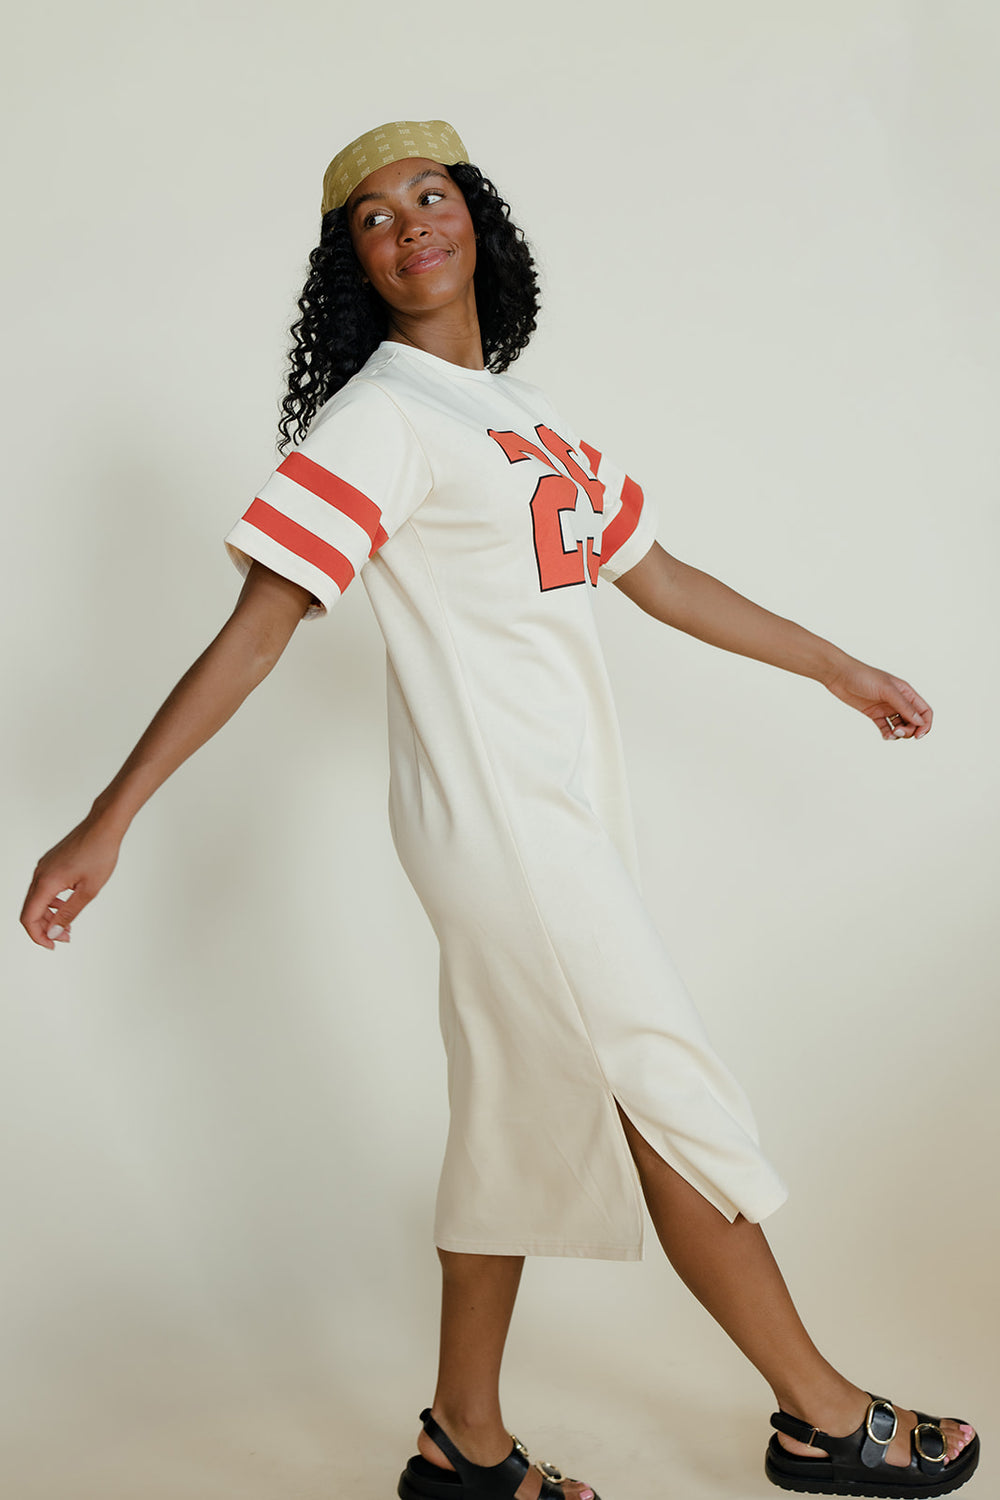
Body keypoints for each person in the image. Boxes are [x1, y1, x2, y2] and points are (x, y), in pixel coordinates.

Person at [20, 119, 978, 1500]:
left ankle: (462, 1443)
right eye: (372, 216)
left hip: (562, 818)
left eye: (430, 193)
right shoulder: (381, 422)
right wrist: (108, 819)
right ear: (353, 266)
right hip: (503, 827)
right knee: (662, 1087)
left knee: (518, 1119)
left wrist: (837, 668)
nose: (408, 222)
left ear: (477, 219)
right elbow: (259, 629)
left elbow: (659, 578)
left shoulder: (522, 419)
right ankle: (820, 1417)